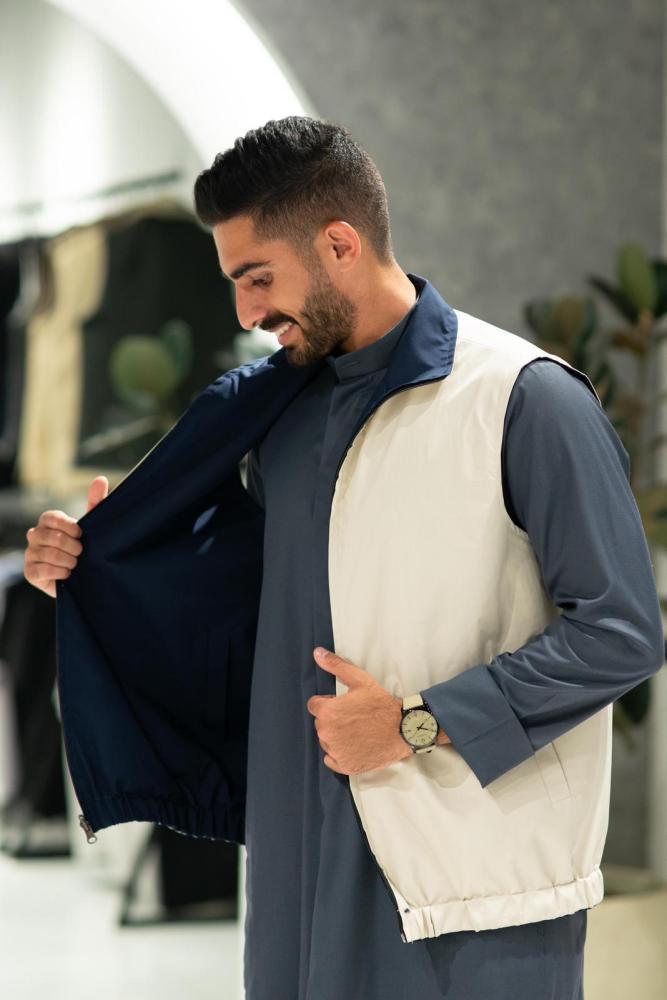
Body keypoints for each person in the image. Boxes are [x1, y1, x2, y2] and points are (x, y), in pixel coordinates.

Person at [24, 116, 664, 1000]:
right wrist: (101, 565)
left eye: (258, 278)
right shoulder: (275, 416)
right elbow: (256, 599)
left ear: (339, 244)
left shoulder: (522, 399)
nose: (246, 314)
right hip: (295, 868)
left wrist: (415, 721)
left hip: (469, 894)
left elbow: (621, 633)